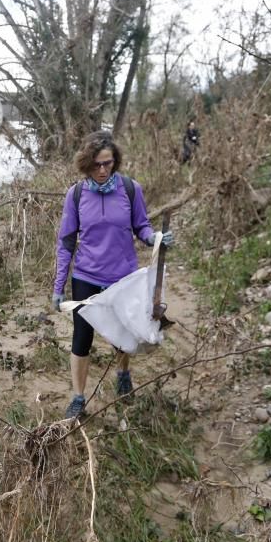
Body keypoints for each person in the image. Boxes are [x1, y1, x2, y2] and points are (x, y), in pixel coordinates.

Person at [52, 131, 173, 419]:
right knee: (82, 338)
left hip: (123, 277)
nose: (103, 170)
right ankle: (78, 397)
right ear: (86, 165)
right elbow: (66, 241)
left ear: (114, 161)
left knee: (123, 333)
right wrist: (59, 287)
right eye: (97, 165)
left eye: (108, 163)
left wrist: (155, 237)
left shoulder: (131, 189)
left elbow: (141, 226)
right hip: (86, 276)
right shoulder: (77, 195)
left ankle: (122, 374)